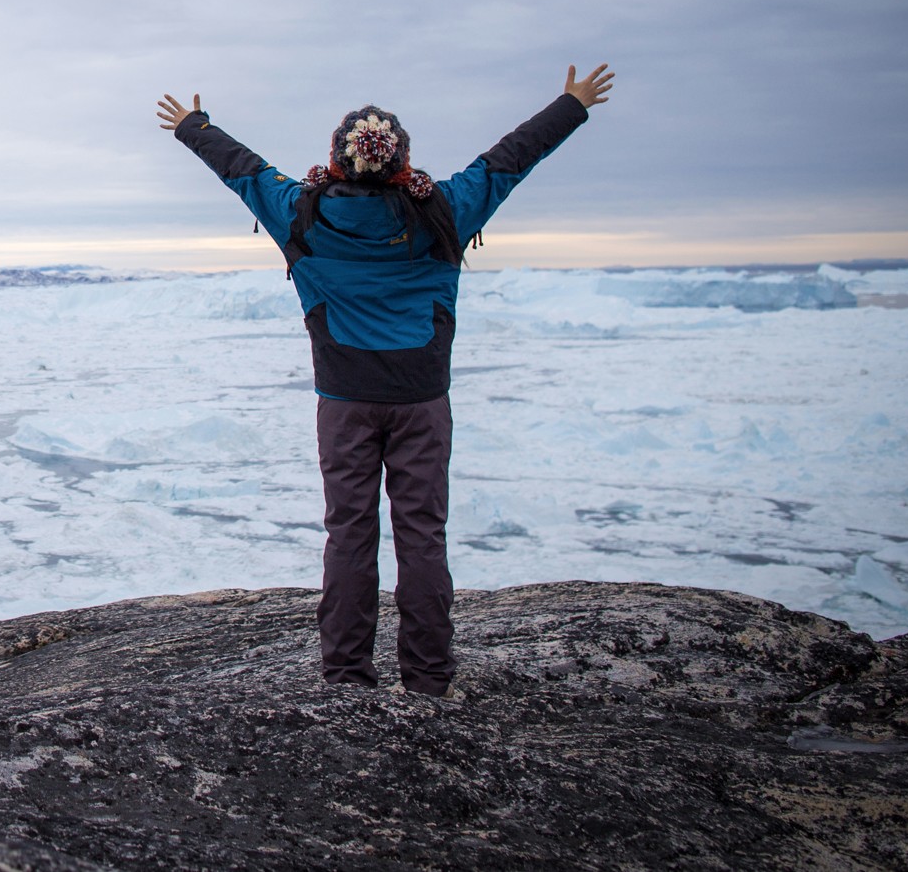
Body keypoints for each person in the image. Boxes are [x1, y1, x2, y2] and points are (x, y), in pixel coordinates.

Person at [156, 64, 614, 697]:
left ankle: (347, 679)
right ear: (401, 160)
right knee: (422, 535)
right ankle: (427, 681)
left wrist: (192, 126)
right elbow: (512, 158)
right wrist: (572, 104)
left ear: (338, 159)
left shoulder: (302, 212)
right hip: (422, 402)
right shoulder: (445, 209)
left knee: (349, 534)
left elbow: (242, 169)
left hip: (344, 404)